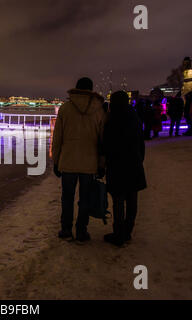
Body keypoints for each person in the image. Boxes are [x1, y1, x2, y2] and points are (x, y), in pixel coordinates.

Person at [52, 77, 106, 242]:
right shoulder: (99, 109)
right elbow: (102, 140)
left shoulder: (65, 108)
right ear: (91, 90)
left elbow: (58, 138)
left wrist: (56, 161)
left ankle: (66, 229)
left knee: (67, 197)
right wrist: (101, 163)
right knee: (85, 198)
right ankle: (81, 231)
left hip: (68, 161)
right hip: (89, 163)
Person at [103, 91, 147, 247]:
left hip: (117, 166)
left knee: (118, 201)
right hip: (133, 164)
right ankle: (127, 231)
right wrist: (139, 159)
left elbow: (106, 146)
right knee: (132, 200)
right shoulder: (134, 118)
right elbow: (141, 143)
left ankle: (118, 233)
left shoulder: (111, 120)